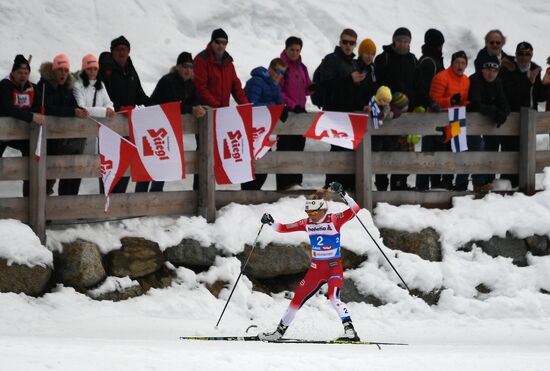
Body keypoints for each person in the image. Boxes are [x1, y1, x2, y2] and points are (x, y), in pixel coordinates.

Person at [258, 181, 361, 341]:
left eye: (313, 213)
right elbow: (283, 228)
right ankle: (278, 333)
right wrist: (270, 222)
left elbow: (355, 209)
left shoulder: (334, 219)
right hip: (315, 270)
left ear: (323, 210)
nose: (310, 216)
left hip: (333, 267)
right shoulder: (306, 223)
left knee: (334, 297)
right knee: (297, 298)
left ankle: (350, 331)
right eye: (308, 213)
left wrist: (343, 194)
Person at [135, 52, 206, 193]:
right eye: (185, 66)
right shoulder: (168, 81)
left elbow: (195, 100)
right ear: (178, 67)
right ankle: (140, 198)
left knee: (163, 162)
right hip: (152, 127)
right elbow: (170, 106)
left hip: (167, 129)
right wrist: (190, 109)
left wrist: (198, 108)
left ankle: (156, 196)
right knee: (149, 163)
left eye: (191, 67)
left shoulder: (191, 84)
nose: (188, 70)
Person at [99, 35, 151, 193]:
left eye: (125, 49)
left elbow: (140, 95)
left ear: (129, 51)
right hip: (110, 124)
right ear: (112, 51)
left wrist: (157, 105)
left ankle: (119, 201)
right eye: (118, 49)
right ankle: (106, 201)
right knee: (110, 163)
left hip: (129, 125)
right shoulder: (105, 70)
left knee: (126, 162)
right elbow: (101, 96)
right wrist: (119, 107)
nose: (122, 52)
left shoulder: (130, 69)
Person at [319, 28, 364, 192]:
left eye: (351, 43)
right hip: (335, 114)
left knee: (350, 152)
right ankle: (332, 188)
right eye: (345, 42)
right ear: (340, 42)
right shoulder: (332, 60)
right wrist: (348, 79)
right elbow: (325, 85)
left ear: (355, 45)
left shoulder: (354, 63)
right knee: (338, 152)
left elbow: (353, 90)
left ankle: (348, 189)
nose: (347, 45)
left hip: (350, 115)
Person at [456, 54, 510, 192]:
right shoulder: (474, 80)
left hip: (481, 124)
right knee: (471, 148)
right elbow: (475, 104)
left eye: (494, 71)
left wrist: (503, 113)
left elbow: (504, 103)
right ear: (482, 70)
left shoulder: (497, 82)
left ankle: (476, 183)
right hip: (464, 120)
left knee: (479, 147)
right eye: (488, 70)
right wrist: (494, 111)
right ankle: (466, 183)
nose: (491, 73)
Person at [38, 54, 89, 196]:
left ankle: (65, 206)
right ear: (53, 71)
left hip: (65, 138)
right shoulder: (44, 85)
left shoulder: (69, 87)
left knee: (69, 171)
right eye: (60, 70)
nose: (63, 74)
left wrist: (80, 109)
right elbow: (48, 108)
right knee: (47, 175)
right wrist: (72, 111)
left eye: (66, 71)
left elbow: (75, 104)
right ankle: (44, 209)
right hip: (47, 138)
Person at [374, 27, 418, 191]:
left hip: (406, 112)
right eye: (400, 40)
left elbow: (417, 85)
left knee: (404, 151)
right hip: (387, 112)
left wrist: (415, 105)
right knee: (386, 148)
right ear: (394, 40)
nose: (402, 44)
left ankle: (400, 183)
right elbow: (376, 84)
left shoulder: (413, 60)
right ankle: (381, 184)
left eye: (406, 41)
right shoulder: (383, 58)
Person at [499, 42, 547, 188]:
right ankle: (507, 183)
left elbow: (539, 97)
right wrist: (529, 81)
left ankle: (524, 182)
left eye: (527, 54)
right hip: (513, 116)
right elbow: (510, 94)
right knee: (511, 150)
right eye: (521, 54)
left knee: (528, 151)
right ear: (516, 54)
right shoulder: (508, 69)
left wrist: (545, 84)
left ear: (531, 55)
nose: (524, 57)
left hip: (531, 117)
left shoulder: (534, 69)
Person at [0, 55, 45, 196]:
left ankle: (29, 198)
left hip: (22, 133)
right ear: (13, 72)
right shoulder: (4, 86)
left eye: (26, 73)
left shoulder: (32, 88)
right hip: (2, 132)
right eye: (19, 73)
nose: (23, 76)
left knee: (32, 159)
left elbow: (39, 105)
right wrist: (31, 116)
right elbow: (8, 107)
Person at [241, 58, 287, 190]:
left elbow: (278, 101)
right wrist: (274, 107)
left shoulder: (274, 84)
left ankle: (253, 195)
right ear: (270, 69)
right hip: (251, 130)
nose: (279, 75)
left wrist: (282, 108)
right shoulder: (256, 82)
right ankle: (246, 195)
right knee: (252, 166)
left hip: (262, 131)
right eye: (277, 71)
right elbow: (251, 105)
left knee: (263, 165)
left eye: (282, 73)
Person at [413, 29, 451, 191]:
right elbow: (422, 88)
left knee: (435, 147)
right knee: (430, 148)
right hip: (432, 111)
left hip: (436, 110)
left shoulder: (432, 59)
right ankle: (424, 185)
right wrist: (432, 103)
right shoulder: (429, 62)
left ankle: (433, 183)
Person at [428, 50, 471, 190]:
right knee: (438, 153)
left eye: (463, 63)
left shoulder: (466, 80)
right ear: (452, 63)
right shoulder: (441, 77)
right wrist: (450, 101)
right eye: (457, 62)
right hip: (439, 122)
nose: (460, 65)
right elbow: (433, 100)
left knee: (454, 151)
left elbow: (464, 100)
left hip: (456, 121)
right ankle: (435, 183)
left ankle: (448, 181)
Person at [277, 36, 311, 191]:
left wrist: (316, 88)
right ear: (286, 49)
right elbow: (278, 90)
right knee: (285, 147)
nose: (295, 53)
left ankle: (297, 182)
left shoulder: (302, 67)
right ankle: (284, 184)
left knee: (299, 147)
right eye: (292, 49)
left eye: (298, 50)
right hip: (287, 113)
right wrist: (292, 104)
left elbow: (307, 88)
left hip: (300, 113)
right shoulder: (281, 66)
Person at [193, 28, 249, 108]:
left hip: (222, 110)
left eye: (224, 43)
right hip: (206, 111)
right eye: (218, 42)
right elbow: (200, 87)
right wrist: (216, 105)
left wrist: (245, 105)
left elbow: (236, 86)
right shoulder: (201, 60)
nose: (221, 45)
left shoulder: (228, 63)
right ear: (212, 42)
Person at [73, 54, 115, 118]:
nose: (92, 71)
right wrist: (104, 112)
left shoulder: (101, 84)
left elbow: (108, 102)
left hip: (99, 124)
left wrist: (110, 108)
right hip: (82, 125)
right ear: (84, 70)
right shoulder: (77, 86)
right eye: (89, 68)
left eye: (95, 69)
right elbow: (82, 108)